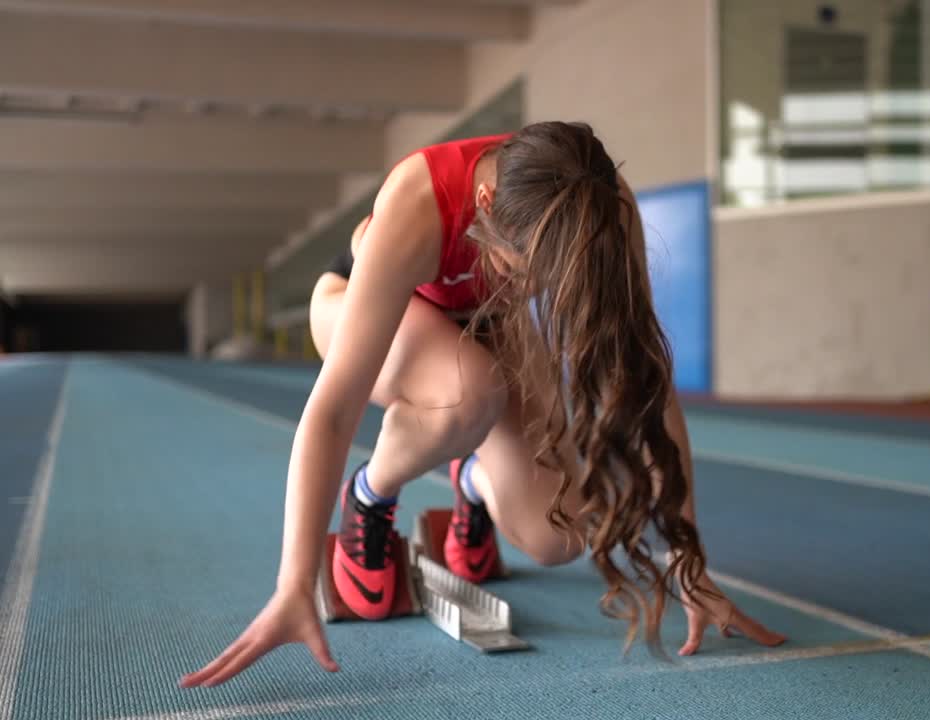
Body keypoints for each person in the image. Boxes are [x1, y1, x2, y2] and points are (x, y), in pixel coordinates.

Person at [180, 122, 784, 688]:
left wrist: (687, 561)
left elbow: (646, 382)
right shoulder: (418, 202)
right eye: (520, 270)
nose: (534, 289)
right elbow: (333, 410)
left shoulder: (600, 208)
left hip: (489, 325)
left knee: (558, 538)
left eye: (546, 285)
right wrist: (293, 582)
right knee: (472, 389)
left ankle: (472, 479)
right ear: (488, 205)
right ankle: (371, 494)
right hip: (352, 309)